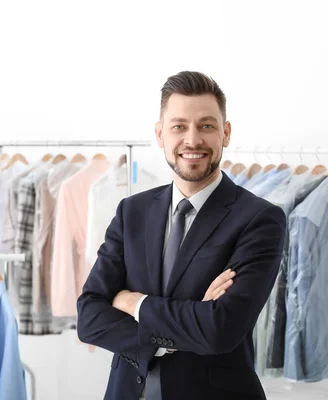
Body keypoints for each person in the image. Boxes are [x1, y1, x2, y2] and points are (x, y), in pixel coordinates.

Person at [76, 71, 286, 400]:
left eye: (206, 125)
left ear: (225, 133)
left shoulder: (259, 219)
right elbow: (89, 317)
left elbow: (220, 330)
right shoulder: (131, 211)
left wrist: (134, 302)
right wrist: (181, 327)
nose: (192, 140)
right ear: (160, 134)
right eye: (179, 126)